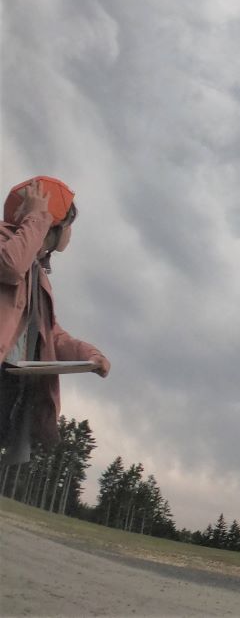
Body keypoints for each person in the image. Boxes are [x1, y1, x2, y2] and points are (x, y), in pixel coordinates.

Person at [1, 176, 109, 465]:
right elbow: (10, 266)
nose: (71, 234)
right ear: (54, 224)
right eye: (69, 223)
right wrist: (37, 216)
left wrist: (89, 355)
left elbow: (50, 333)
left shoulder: (37, 274)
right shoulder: (5, 243)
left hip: (11, 386)